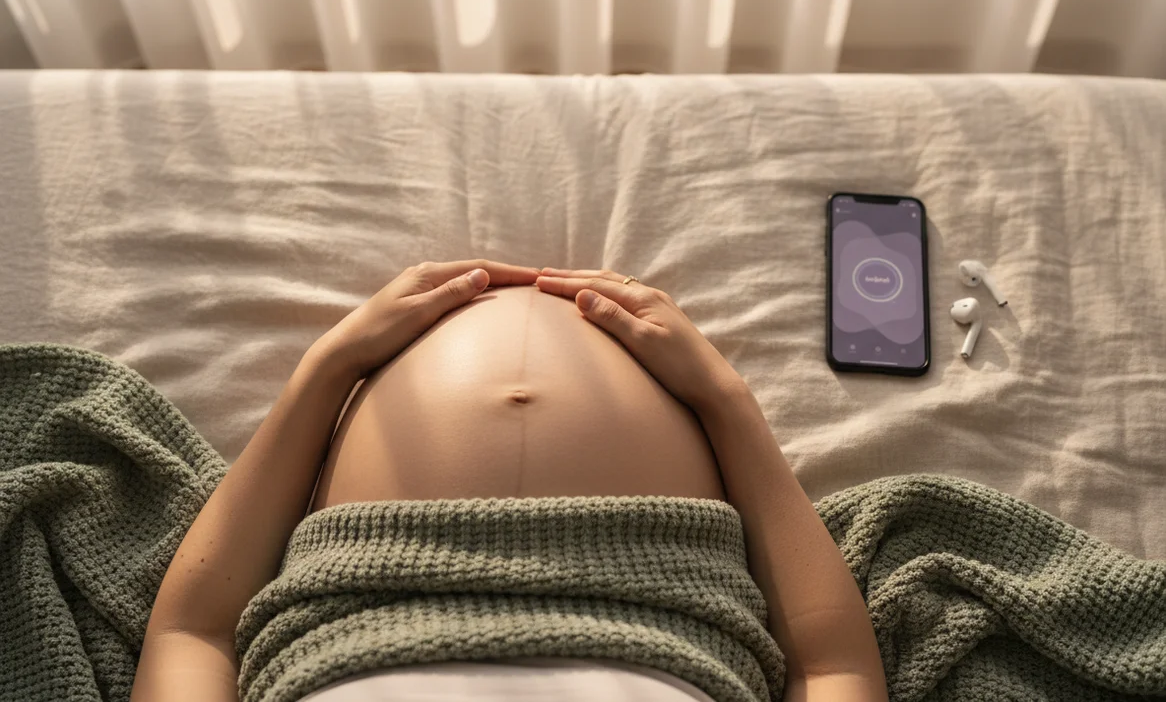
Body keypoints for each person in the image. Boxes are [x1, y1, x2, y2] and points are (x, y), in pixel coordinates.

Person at [130, 260, 888, 702]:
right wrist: (724, 401)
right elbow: (832, 668)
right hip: (654, 587)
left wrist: (326, 371)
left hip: (369, 587)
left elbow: (194, 634)